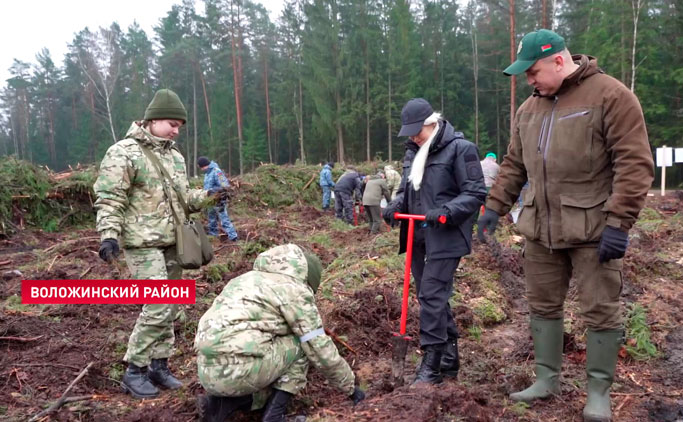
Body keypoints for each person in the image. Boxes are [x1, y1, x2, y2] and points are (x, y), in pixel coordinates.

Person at [478, 30, 654, 422]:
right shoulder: (529, 109)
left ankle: (597, 392)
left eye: (534, 72)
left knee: (600, 310)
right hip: (540, 228)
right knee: (542, 305)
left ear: (560, 60)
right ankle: (546, 379)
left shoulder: (611, 96)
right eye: (525, 76)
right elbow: (514, 165)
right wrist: (494, 207)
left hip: (594, 229)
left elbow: (634, 163)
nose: (530, 81)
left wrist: (620, 223)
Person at [94, 89, 219, 399]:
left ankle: (159, 366)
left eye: (179, 125)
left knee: (173, 306)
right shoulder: (123, 152)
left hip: (173, 242)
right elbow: (111, 198)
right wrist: (108, 234)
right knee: (158, 304)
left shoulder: (175, 157)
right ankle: (133, 369)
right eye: (170, 123)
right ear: (151, 120)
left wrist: (209, 196)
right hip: (142, 244)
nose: (176, 130)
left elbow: (184, 199)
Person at [195, 244, 365, 422]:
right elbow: (318, 346)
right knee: (302, 343)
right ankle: (274, 416)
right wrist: (350, 388)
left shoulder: (244, 280)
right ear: (308, 280)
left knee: (268, 348)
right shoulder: (293, 289)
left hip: (207, 373)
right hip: (240, 371)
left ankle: (220, 406)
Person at [382, 98, 485, 384]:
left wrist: (447, 212)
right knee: (432, 297)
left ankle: (432, 364)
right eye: (410, 132)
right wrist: (395, 206)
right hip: (417, 234)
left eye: (418, 130)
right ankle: (450, 360)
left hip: (446, 234)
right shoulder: (413, 152)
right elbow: (407, 189)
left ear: (433, 122)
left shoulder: (460, 149)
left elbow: (475, 193)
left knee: (431, 293)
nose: (414, 137)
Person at [198, 156, 238, 242]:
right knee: (212, 220)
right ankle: (214, 237)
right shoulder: (207, 174)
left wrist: (215, 192)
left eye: (201, 167)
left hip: (219, 200)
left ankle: (233, 237)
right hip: (210, 201)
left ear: (204, 165)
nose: (201, 170)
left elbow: (225, 185)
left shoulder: (217, 172)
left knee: (224, 220)